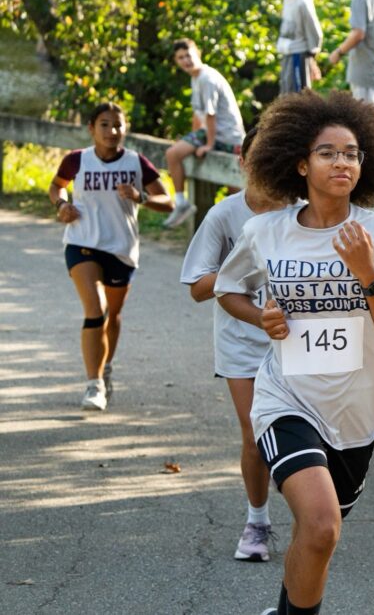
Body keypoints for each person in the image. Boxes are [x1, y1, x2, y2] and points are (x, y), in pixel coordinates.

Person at [214, 90, 374, 615]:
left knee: (317, 536)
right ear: (301, 163)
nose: (342, 162)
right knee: (323, 524)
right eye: (328, 152)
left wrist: (367, 273)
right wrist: (258, 315)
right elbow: (226, 287)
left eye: (352, 153)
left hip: (356, 411)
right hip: (286, 398)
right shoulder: (266, 231)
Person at [179, 126, 289, 562]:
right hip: (241, 342)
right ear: (242, 161)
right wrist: (240, 268)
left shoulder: (301, 212)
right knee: (255, 433)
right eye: (254, 157)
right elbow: (197, 286)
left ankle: (313, 514)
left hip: (296, 341)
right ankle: (257, 523)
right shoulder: (224, 216)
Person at [48, 102, 172, 410]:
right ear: (91, 128)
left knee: (112, 317)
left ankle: (105, 367)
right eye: (104, 124)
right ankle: (94, 384)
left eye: (117, 125)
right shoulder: (77, 160)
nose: (111, 131)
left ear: (125, 129)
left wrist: (140, 196)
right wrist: (62, 205)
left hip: (121, 248)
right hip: (82, 242)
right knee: (96, 310)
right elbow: (57, 187)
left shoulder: (135, 163)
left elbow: (167, 200)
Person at [163, 38, 246, 229]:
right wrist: (192, 140)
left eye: (188, 55)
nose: (186, 60)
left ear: (197, 54)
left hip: (226, 136)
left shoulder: (207, 78)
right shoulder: (195, 78)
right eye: (181, 57)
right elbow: (197, 114)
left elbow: (210, 114)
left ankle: (242, 233)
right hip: (210, 133)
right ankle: (181, 202)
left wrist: (208, 144)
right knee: (173, 153)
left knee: (236, 192)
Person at [277, 0, 324, 95]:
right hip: (287, 54)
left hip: (298, 57)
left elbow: (314, 32)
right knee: (285, 95)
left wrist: (311, 59)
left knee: (298, 96)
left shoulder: (302, 1)